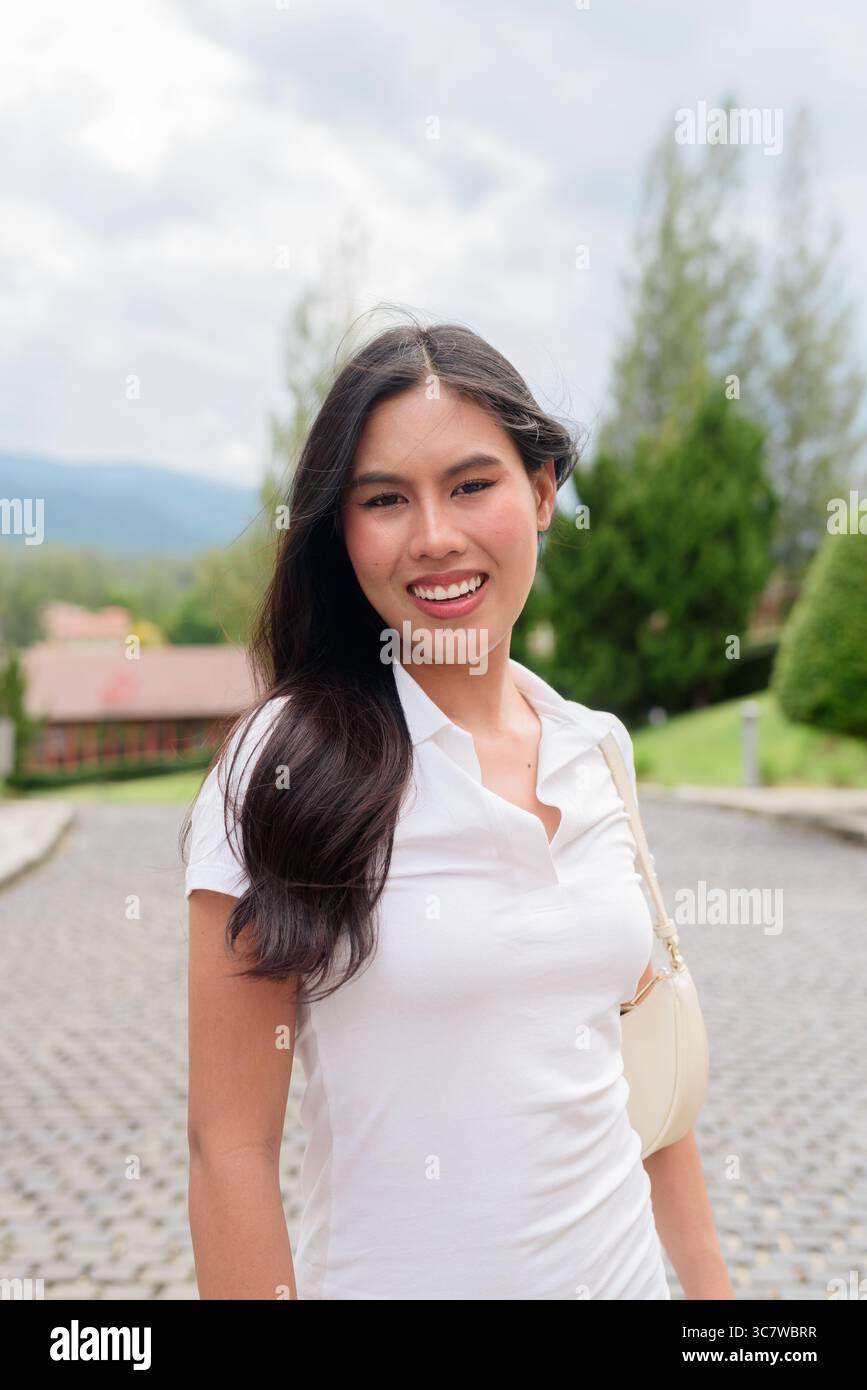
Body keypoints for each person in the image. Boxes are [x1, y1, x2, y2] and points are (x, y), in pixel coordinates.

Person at [182, 317, 733, 1300]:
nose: (434, 536)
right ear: (340, 529)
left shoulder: (597, 747)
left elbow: (652, 1099)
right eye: (385, 498)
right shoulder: (280, 766)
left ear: (542, 492)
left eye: (472, 484)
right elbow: (229, 1148)